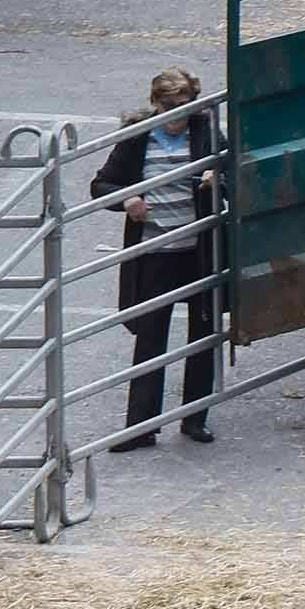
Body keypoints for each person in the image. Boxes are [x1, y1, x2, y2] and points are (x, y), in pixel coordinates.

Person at [92, 64, 224, 451]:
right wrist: (127, 198)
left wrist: (216, 180)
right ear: (154, 104)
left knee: (202, 335)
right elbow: (102, 183)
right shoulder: (136, 138)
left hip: (197, 249)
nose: (176, 116)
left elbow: (232, 168)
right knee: (150, 338)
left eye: (183, 107)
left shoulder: (205, 131)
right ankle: (140, 427)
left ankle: (194, 418)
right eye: (168, 107)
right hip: (154, 252)